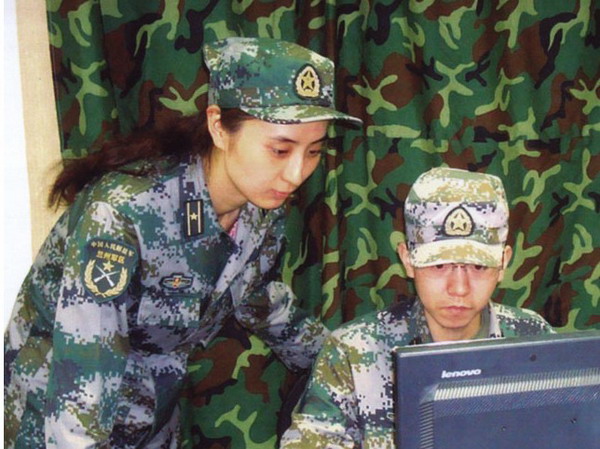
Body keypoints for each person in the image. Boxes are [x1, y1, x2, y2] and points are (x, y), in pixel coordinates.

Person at [4, 37, 362, 449]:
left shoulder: (260, 209)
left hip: (150, 415)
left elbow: (262, 302)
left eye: (313, 151)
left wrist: (353, 368)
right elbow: (84, 373)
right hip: (60, 417)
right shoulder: (122, 213)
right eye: (280, 150)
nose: (296, 174)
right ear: (218, 127)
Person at [280, 167, 555, 449]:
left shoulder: (534, 340)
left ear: (503, 263)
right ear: (408, 260)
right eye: (439, 265)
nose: (459, 288)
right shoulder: (353, 351)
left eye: (477, 266)